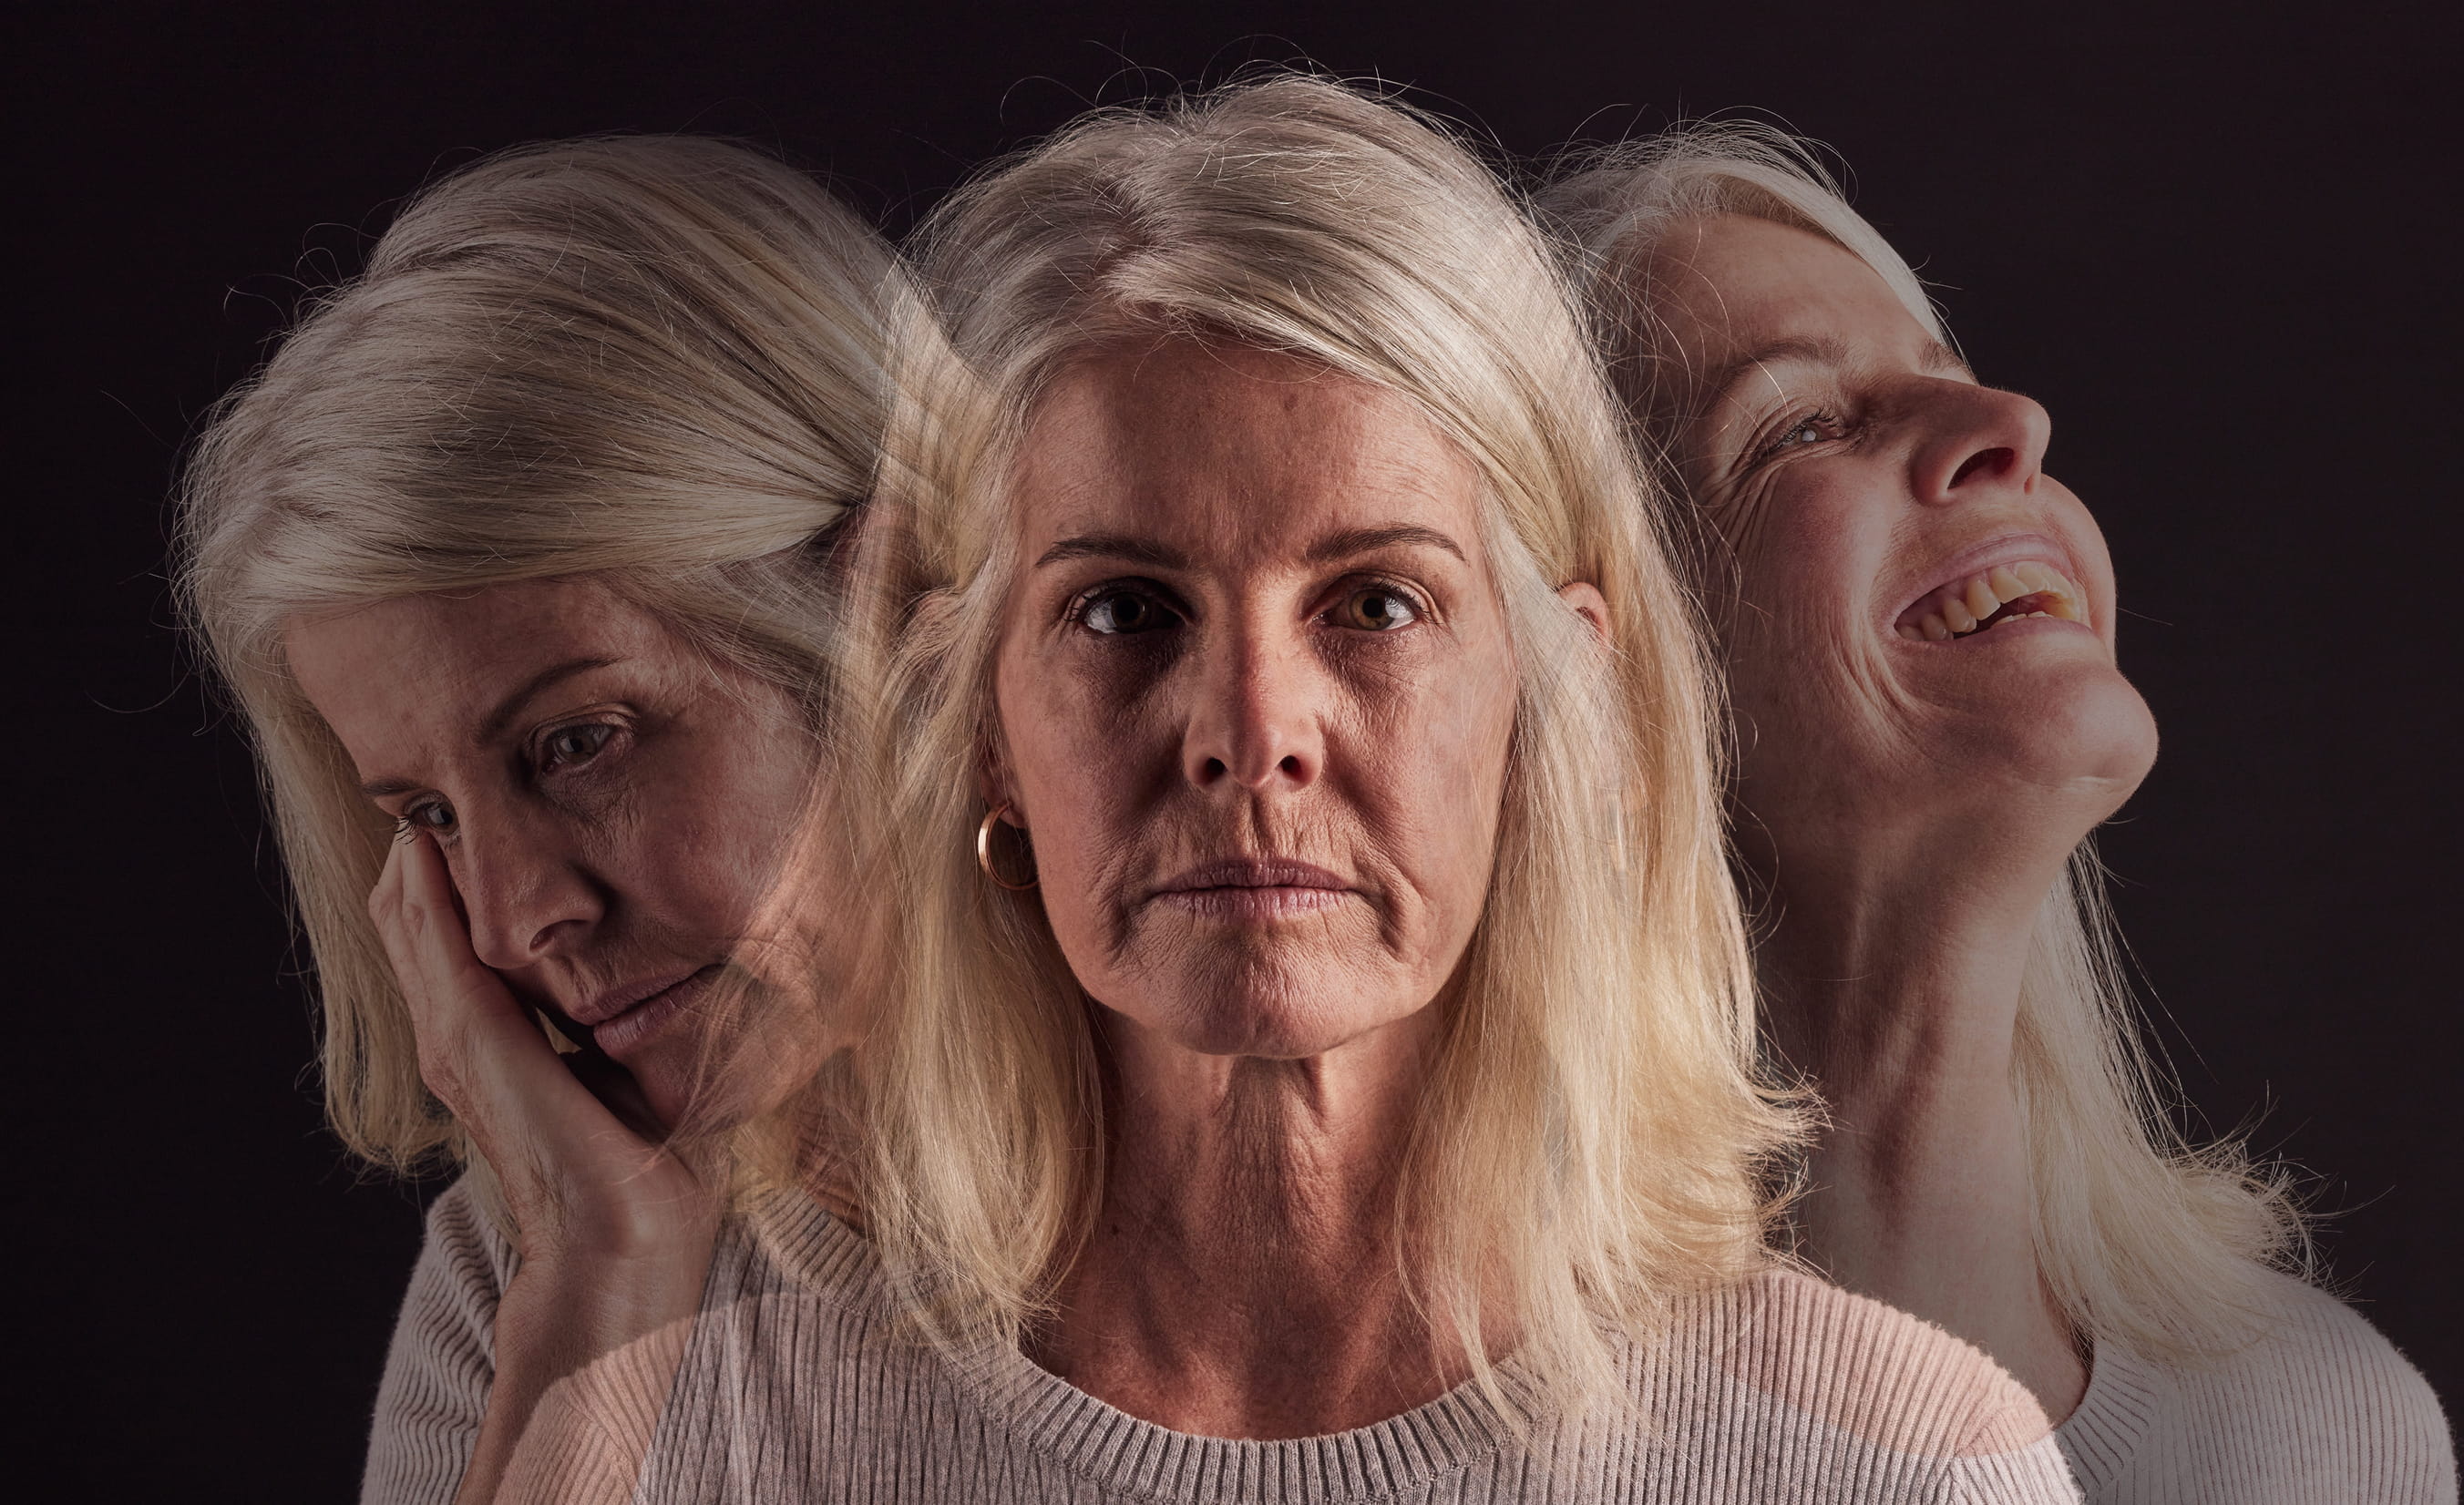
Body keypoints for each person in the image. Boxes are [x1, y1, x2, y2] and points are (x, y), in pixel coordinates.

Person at [501, 75, 2083, 1502]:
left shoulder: (1893, 1463)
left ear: (1564, 696)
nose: (1252, 733)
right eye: (1123, 611)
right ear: (974, 715)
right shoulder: (679, 1427)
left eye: (1376, 604)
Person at [1541, 126, 2454, 1501]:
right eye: (1801, 425)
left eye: (1956, 382)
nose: (2011, 425)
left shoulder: (2331, 1430)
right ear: (1599, 679)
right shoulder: (1443, 1444)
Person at [176, 135, 898, 1504]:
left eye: (577, 744)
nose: (513, 923)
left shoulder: (1312, 1179)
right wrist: (595, 1291)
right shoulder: (519, 1272)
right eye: (428, 815)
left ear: (895, 623)